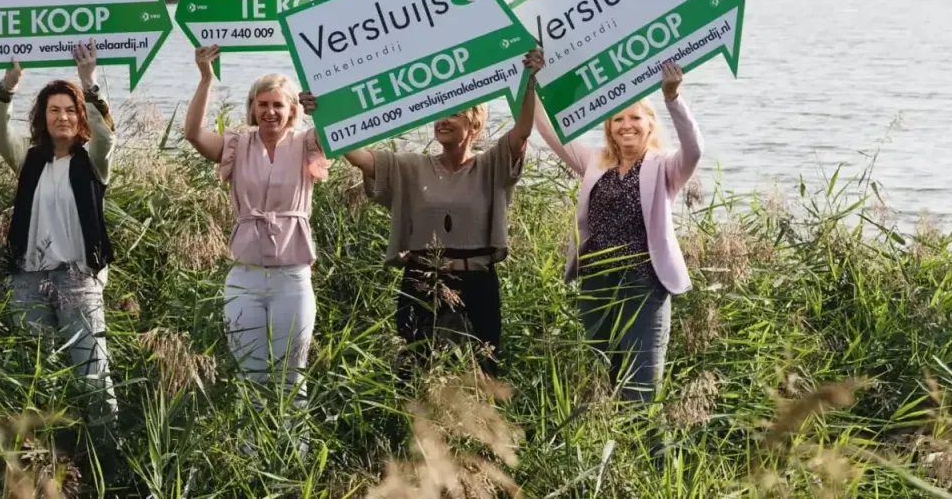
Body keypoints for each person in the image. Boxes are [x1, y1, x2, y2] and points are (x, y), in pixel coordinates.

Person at [301, 49, 542, 371]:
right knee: (414, 368)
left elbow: (522, 132)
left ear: (474, 123)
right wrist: (323, 115)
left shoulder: (490, 166)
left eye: (453, 114)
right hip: (421, 279)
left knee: (483, 368)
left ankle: (482, 422)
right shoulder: (411, 167)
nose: (442, 121)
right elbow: (359, 157)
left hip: (477, 281)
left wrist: (529, 83)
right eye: (439, 114)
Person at [534, 61, 702, 404]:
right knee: (600, 381)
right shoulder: (595, 161)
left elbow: (695, 150)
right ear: (609, 128)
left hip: (644, 286)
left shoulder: (664, 166)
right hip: (596, 285)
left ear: (649, 124)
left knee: (640, 389)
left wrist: (672, 98)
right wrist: (532, 82)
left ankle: (650, 456)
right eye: (618, 119)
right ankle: (606, 454)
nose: (626, 125)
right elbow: (550, 131)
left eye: (635, 118)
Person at [182, 45, 329, 407]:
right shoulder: (237, 143)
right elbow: (193, 134)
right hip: (244, 275)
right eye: (262, 105)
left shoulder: (307, 142)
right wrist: (206, 78)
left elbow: (340, 135)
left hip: (291, 275)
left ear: (292, 109)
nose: (270, 112)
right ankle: (250, 455)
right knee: (251, 374)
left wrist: (322, 110)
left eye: (278, 105)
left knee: (291, 375)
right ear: (252, 107)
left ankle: (296, 454)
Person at [0, 41, 118, 421]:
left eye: (70, 110)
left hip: (79, 277)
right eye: (54, 110)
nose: (62, 117)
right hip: (28, 278)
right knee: (34, 374)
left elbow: (107, 136)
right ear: (42, 117)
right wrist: (9, 82)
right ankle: (46, 454)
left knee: (93, 373)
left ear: (81, 117)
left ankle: (105, 451)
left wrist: (89, 84)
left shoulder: (92, 159)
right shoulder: (29, 156)